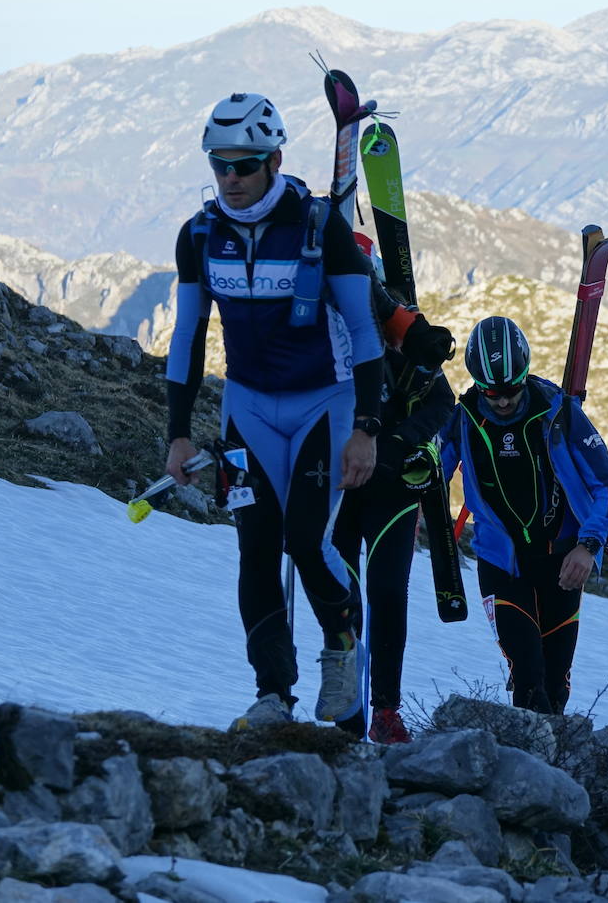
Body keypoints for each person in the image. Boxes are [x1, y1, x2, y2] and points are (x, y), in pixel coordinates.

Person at [163, 92, 384, 730]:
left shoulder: (318, 225)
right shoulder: (200, 235)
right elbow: (186, 339)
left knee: (307, 542)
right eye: (218, 164)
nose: (230, 178)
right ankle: (272, 693)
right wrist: (177, 434)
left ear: (274, 158)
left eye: (243, 164)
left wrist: (366, 429)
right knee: (256, 548)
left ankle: (342, 649)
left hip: (325, 403)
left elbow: (365, 333)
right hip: (248, 409)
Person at [440, 316, 608, 714]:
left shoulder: (559, 413)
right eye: (491, 392)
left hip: (562, 562)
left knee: (555, 688)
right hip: (500, 565)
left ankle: (547, 772)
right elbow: (428, 474)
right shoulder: (462, 419)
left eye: (511, 389)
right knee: (528, 679)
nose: (503, 400)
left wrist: (588, 545)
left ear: (525, 373)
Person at [331, 260, 455, 744]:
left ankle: (385, 709)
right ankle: (347, 710)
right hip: (337, 488)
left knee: (385, 594)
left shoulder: (405, 349)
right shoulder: (323, 342)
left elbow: (443, 403)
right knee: (341, 596)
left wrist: (398, 442)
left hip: (393, 490)